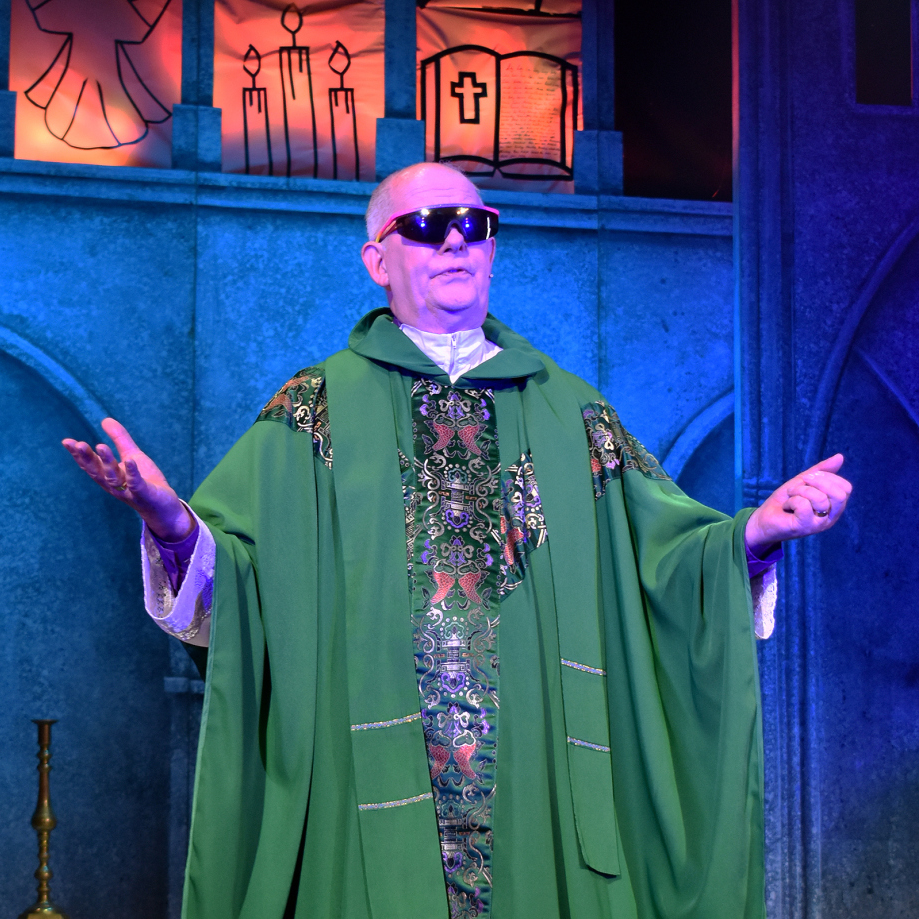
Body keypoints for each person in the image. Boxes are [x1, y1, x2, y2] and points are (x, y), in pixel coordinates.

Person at [63, 163, 851, 919]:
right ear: (378, 260)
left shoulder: (572, 413)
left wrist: (755, 532)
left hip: (538, 789)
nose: (454, 241)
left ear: (493, 250)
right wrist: (169, 521)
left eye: (475, 225)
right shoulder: (315, 408)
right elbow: (241, 580)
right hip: (367, 784)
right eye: (428, 225)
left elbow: (665, 562)